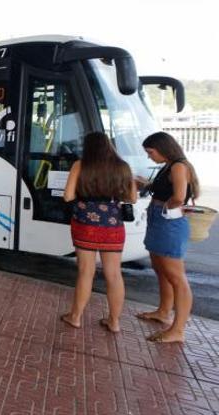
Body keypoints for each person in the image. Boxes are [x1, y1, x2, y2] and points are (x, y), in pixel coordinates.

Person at [60, 132, 136, 333]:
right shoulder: (123, 167)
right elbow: (132, 198)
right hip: (112, 226)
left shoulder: (80, 165)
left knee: (86, 272)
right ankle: (114, 321)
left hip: (85, 224)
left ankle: (75, 317)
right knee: (113, 274)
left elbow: (68, 196)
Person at [135, 132, 201, 343]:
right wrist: (146, 185)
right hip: (160, 220)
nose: (149, 157)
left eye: (150, 152)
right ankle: (163, 311)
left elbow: (179, 197)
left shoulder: (178, 166)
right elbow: (166, 190)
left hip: (168, 222)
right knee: (161, 269)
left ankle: (178, 329)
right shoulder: (169, 165)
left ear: (163, 148)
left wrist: (167, 209)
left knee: (176, 277)